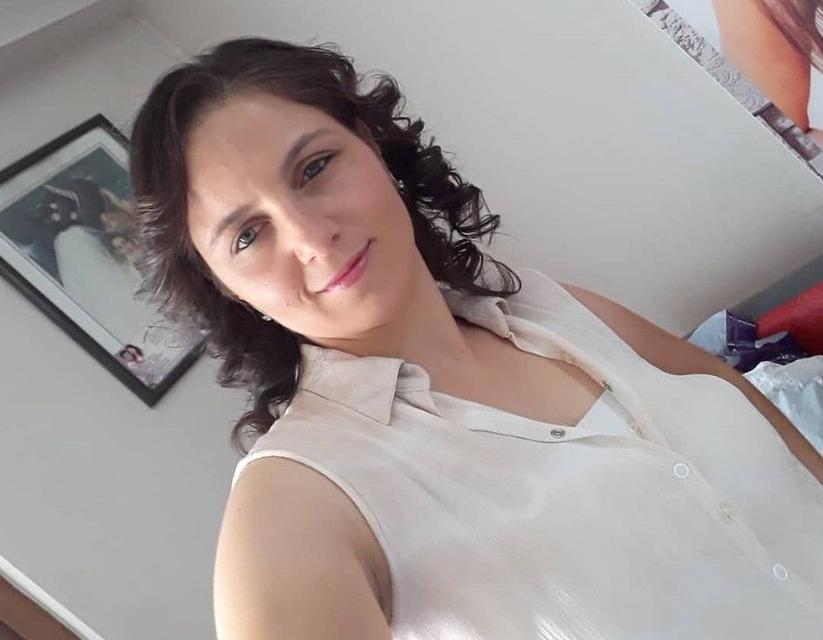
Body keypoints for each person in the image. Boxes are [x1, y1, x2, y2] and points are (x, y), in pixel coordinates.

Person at [127, 37, 823, 639]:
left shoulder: (546, 303)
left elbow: (746, 407)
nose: (311, 237)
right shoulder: (297, 502)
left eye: (314, 168)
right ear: (223, 285)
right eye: (248, 235)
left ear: (369, 144)